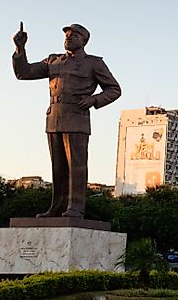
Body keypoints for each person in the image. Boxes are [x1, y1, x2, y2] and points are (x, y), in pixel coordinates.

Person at [12, 22, 121, 218]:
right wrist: (20, 48)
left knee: (76, 166)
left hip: (77, 117)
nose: (68, 38)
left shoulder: (94, 63)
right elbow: (24, 73)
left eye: (74, 35)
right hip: (54, 117)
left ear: (84, 40)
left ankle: (76, 207)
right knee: (58, 166)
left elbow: (114, 89)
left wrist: (93, 100)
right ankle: (57, 207)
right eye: (67, 35)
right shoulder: (54, 61)